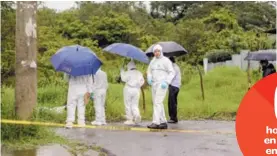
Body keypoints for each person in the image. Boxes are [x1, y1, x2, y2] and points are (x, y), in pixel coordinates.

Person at [146, 44, 175, 129]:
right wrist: (149, 78)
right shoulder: (153, 61)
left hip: (162, 84)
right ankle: (163, 122)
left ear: (161, 51)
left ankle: (155, 122)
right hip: (154, 84)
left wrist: (166, 82)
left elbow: (172, 72)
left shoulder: (166, 61)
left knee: (157, 102)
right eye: (155, 51)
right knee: (157, 102)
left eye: (158, 51)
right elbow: (149, 71)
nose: (157, 53)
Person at [120, 59, 145, 125]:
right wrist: (137, 85)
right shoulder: (139, 73)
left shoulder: (128, 72)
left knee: (127, 104)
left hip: (128, 88)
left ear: (129, 66)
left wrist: (122, 70)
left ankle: (129, 119)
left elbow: (123, 79)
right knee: (135, 104)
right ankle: (137, 115)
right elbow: (142, 82)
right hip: (136, 90)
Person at [167, 56, 181, 124]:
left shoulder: (174, 68)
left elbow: (171, 77)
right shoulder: (175, 67)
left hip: (173, 86)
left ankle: (173, 118)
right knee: (173, 102)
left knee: (172, 103)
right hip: (176, 86)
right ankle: (173, 117)